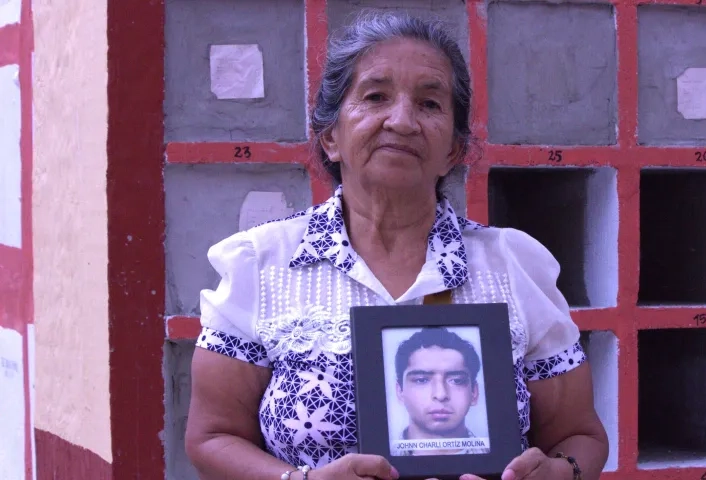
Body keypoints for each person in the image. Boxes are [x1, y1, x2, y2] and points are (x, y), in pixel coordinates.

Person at [185, 10, 609, 480]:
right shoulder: (261, 264)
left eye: (430, 104)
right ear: (331, 138)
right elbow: (212, 436)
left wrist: (563, 472)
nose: (402, 121)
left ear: (453, 149)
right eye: (375, 96)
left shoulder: (513, 264)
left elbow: (580, 436)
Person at [391, 327, 491, 456]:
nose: (441, 394)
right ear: (400, 391)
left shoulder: (502, 462)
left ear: (474, 393)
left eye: (456, 381)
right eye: (421, 380)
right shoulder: (379, 460)